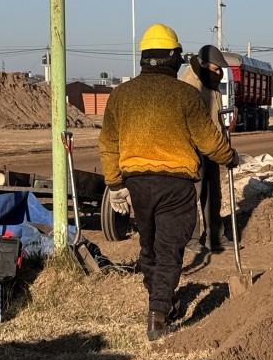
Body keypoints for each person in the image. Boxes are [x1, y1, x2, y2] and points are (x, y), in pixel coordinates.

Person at [99, 23, 239, 341]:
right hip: (176, 186)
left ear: (144, 59)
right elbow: (208, 141)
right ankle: (158, 314)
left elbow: (108, 144)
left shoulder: (120, 96)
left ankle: (161, 302)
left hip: (137, 184)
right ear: (174, 58)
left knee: (148, 248)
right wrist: (230, 157)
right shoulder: (186, 95)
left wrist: (115, 184)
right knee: (168, 250)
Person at [179, 44, 233, 253]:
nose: (218, 73)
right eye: (215, 68)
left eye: (220, 70)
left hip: (212, 147)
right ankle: (191, 240)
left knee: (213, 195)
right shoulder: (188, 85)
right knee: (193, 195)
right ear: (202, 64)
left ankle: (215, 238)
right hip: (193, 149)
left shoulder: (211, 83)